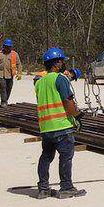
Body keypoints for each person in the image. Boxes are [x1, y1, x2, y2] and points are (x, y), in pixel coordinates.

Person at [34, 48, 86, 199]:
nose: (63, 64)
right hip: (62, 126)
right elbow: (67, 101)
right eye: (62, 61)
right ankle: (66, 188)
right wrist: (77, 116)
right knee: (66, 156)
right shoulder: (60, 79)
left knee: (46, 157)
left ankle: (43, 189)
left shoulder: (40, 83)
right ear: (56, 63)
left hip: (46, 128)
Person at [0, 38, 22, 105]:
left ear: (11, 47)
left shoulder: (14, 54)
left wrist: (19, 73)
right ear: (3, 46)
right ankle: (3, 101)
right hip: (0, 74)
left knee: (9, 88)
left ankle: (5, 100)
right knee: (3, 87)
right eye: (6, 46)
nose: (7, 48)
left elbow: (19, 64)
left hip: (10, 74)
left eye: (9, 47)